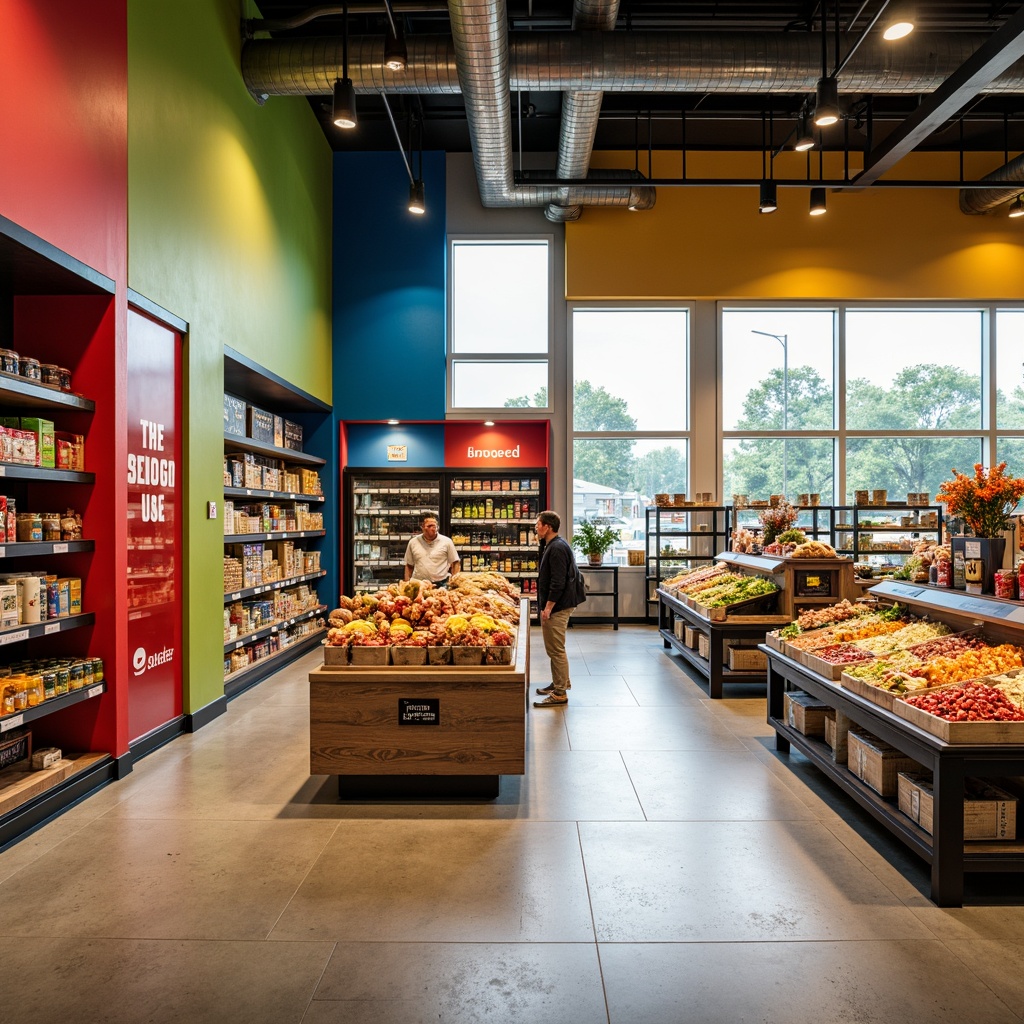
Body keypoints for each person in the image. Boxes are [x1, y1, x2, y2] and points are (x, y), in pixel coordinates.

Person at [532, 509, 580, 708]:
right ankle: (559, 683)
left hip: (558, 606)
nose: (535, 527)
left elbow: (558, 582)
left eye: (538, 524)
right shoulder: (552, 544)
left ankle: (560, 693)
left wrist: (548, 607)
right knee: (553, 648)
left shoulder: (557, 548)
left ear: (547, 527)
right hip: (557, 604)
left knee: (556, 649)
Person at [404, 513, 460, 587]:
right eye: (429, 526)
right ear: (422, 527)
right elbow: (409, 565)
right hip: (419, 583)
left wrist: (454, 582)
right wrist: (407, 584)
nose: (433, 528)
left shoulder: (447, 542)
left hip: (441, 584)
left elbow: (455, 562)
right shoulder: (413, 542)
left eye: (435, 526)